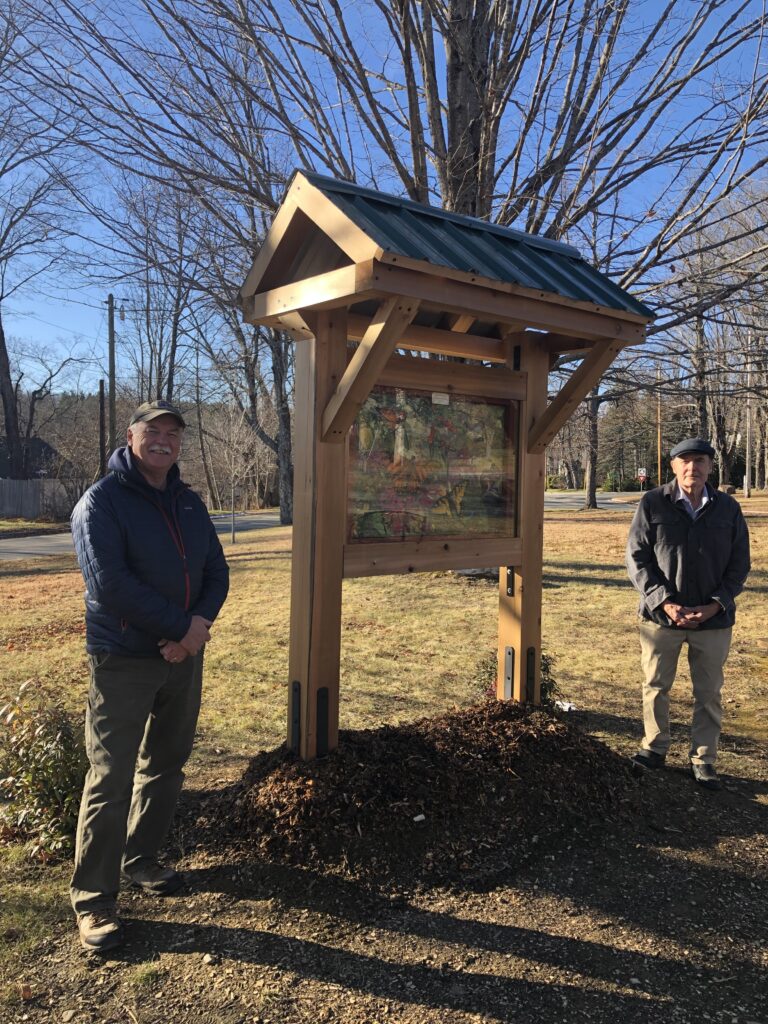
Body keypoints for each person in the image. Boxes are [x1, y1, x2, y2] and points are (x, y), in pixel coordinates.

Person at [69, 399, 229, 952]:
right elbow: (109, 584)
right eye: (153, 430)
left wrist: (195, 629)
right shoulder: (101, 502)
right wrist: (181, 628)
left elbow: (216, 571)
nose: (164, 440)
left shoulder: (188, 502)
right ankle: (94, 900)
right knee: (110, 776)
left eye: (173, 433)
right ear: (131, 436)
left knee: (166, 764)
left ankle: (141, 861)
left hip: (183, 656)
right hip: (123, 659)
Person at [625, 437, 750, 791]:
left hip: (713, 620)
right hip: (661, 619)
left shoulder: (728, 508)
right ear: (673, 466)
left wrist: (715, 604)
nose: (692, 467)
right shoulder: (653, 503)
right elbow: (637, 558)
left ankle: (703, 759)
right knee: (655, 685)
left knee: (708, 692)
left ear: (710, 466)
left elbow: (740, 563)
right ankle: (654, 748)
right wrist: (665, 602)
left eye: (699, 460)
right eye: (685, 460)